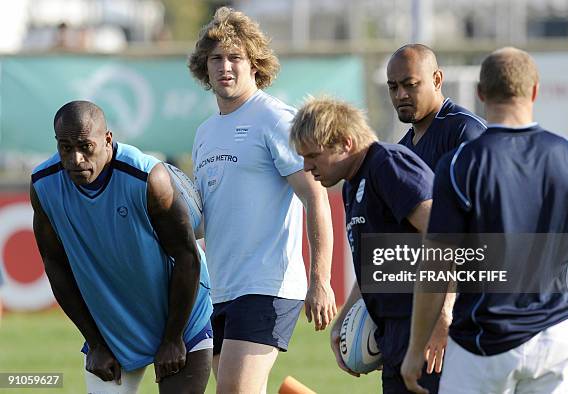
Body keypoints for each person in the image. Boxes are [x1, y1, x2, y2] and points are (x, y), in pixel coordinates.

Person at [401, 47, 568, 393]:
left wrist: (414, 348)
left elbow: (437, 263)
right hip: (557, 339)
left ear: (481, 94)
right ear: (535, 91)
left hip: (484, 343)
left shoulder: (460, 163)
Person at [187, 7, 335, 394]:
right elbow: (205, 219)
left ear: (255, 64)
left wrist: (320, 280)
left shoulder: (273, 118)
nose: (225, 67)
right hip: (220, 290)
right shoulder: (204, 133)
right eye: (216, 58)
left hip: (267, 284)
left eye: (235, 57)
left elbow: (315, 196)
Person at [31, 100, 214, 393]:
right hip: (112, 330)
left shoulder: (147, 178)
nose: (75, 158)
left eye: (84, 146)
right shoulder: (44, 185)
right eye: (65, 147)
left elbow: (187, 256)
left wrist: (172, 338)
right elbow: (55, 264)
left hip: (181, 320)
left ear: (107, 139)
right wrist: (96, 343)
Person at [290, 97, 448, 393]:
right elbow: (378, 265)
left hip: (426, 333)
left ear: (346, 143)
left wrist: (443, 315)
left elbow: (444, 235)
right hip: (395, 335)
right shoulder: (352, 184)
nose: (306, 167)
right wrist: (343, 318)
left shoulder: (388, 165)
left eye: (313, 156)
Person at [387, 44, 486, 170]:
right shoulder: (400, 151)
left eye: (410, 84)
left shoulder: (465, 130)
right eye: (393, 87)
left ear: (437, 80)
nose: (400, 95)